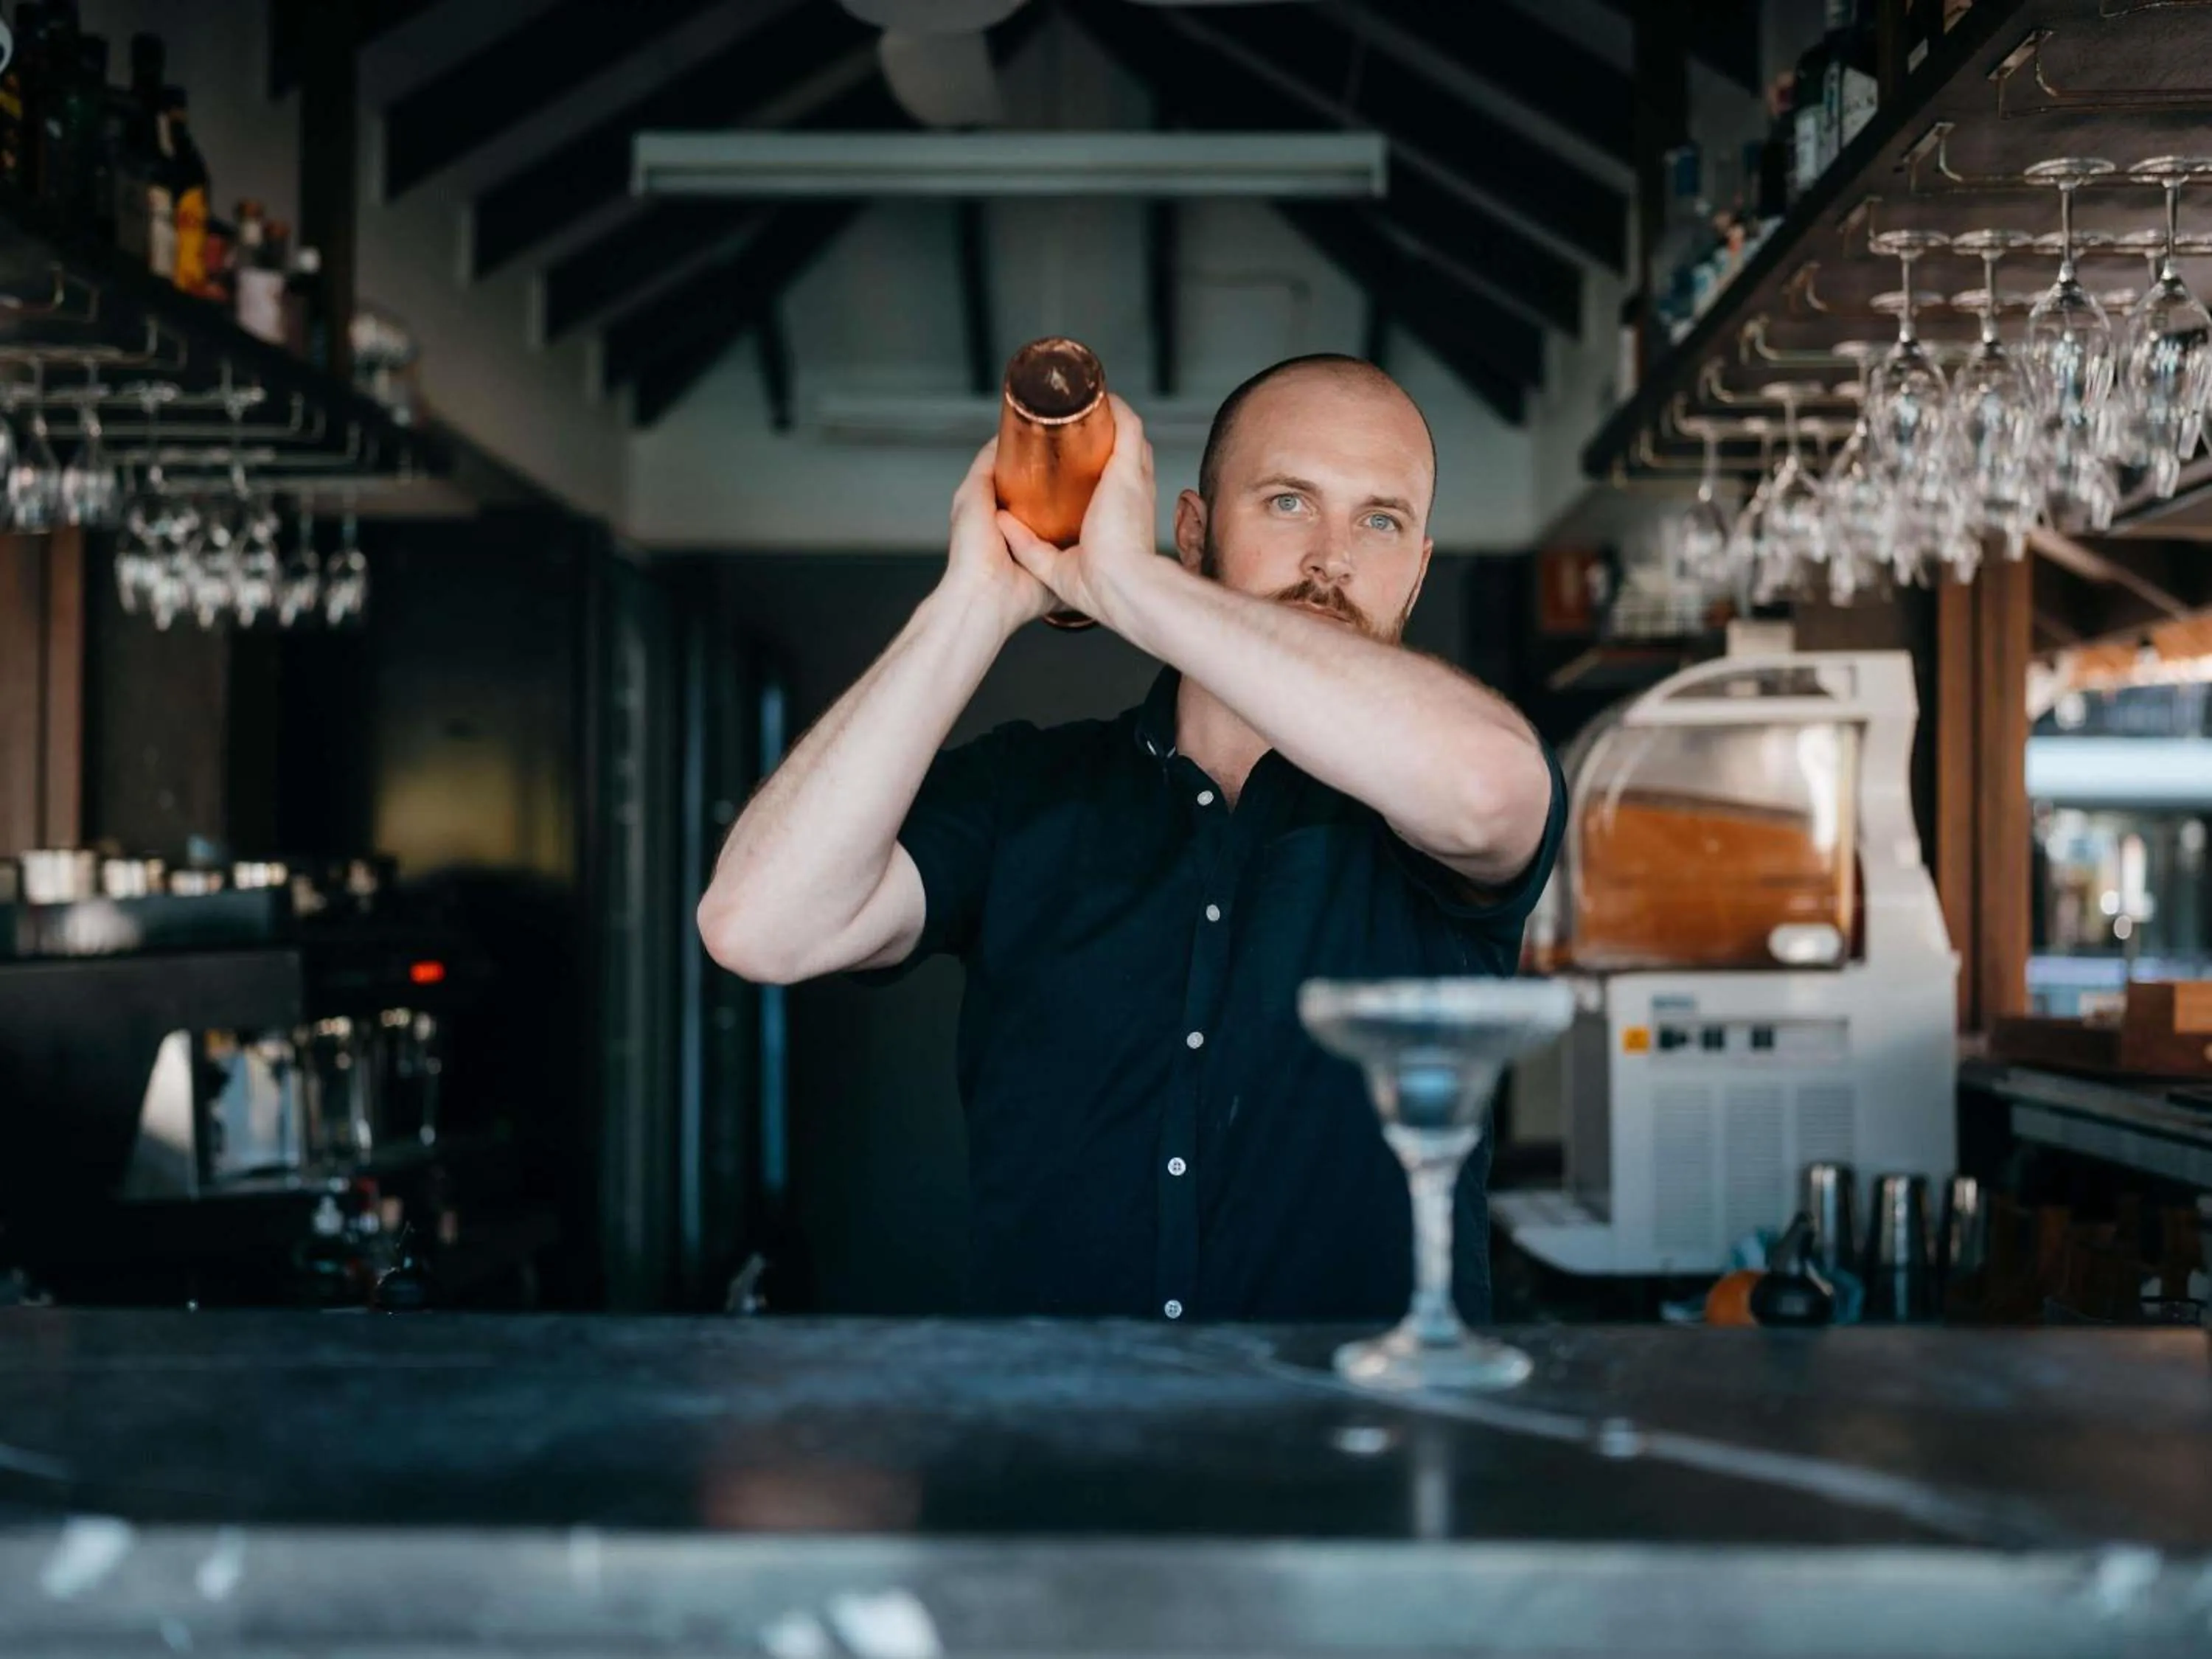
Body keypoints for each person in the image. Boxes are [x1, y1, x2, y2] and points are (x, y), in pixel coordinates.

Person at [698, 354, 1565, 1323]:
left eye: (1381, 519)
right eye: (1288, 502)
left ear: (1418, 567)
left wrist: (1130, 584)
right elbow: (757, 924)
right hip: (1056, 1459)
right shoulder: (1023, 791)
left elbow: (1493, 792)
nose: (1334, 558)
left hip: (1366, 1454)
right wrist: (974, 601)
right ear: (1194, 532)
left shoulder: (1443, 813)